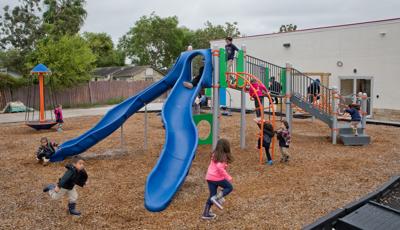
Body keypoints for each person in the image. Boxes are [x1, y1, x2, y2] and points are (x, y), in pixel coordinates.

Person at [202, 139, 234, 220]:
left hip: (209, 177)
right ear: (226, 147)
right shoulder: (223, 157)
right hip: (217, 178)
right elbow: (220, 168)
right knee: (229, 187)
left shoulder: (215, 154)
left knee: (212, 195)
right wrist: (228, 177)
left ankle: (206, 213)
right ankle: (217, 198)